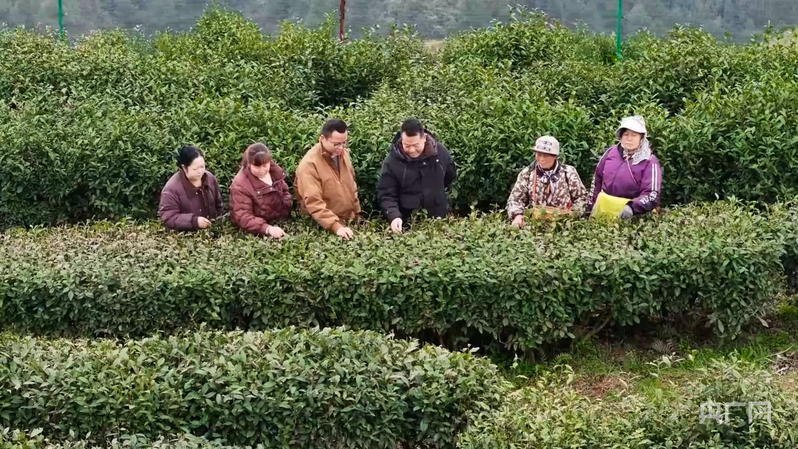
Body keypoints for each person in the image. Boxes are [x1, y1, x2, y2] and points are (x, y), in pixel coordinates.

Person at [377, 119, 457, 233]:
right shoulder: (392, 162)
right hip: (408, 223)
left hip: (438, 219)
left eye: (415, 145)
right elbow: (386, 194)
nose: (412, 150)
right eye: (406, 145)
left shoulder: (440, 153)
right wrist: (394, 216)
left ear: (424, 138)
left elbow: (450, 176)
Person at [294, 119, 361, 240]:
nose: (341, 147)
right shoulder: (309, 164)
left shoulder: (343, 154)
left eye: (344, 143)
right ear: (323, 139)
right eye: (336, 144)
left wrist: (357, 215)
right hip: (323, 229)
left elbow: (352, 186)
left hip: (349, 223)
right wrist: (336, 227)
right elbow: (313, 202)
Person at [587, 116, 663, 219]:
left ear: (641, 138)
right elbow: (597, 181)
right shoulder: (610, 153)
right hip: (604, 209)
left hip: (632, 214)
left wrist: (632, 207)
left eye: (634, 135)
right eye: (626, 134)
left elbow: (652, 194)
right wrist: (590, 207)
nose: (629, 138)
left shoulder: (649, 161)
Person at [506, 136, 588, 228]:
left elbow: (581, 198)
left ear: (555, 156)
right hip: (534, 225)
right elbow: (515, 200)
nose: (541, 159)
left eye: (545, 156)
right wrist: (517, 216)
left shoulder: (568, 172)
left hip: (564, 225)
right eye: (538, 155)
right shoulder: (527, 173)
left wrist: (572, 214)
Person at [230, 143, 293, 239]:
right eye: (257, 167)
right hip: (256, 232)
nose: (262, 170)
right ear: (249, 164)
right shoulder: (240, 184)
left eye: (264, 165)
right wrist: (267, 229)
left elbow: (285, 191)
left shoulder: (275, 172)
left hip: (282, 222)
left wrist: (286, 205)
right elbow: (243, 216)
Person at [158, 145, 224, 231]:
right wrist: (194, 221)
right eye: (195, 169)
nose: (200, 171)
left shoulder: (209, 178)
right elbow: (168, 217)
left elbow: (219, 204)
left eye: (202, 167)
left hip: (213, 230)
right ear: (184, 168)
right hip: (186, 235)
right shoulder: (171, 189)